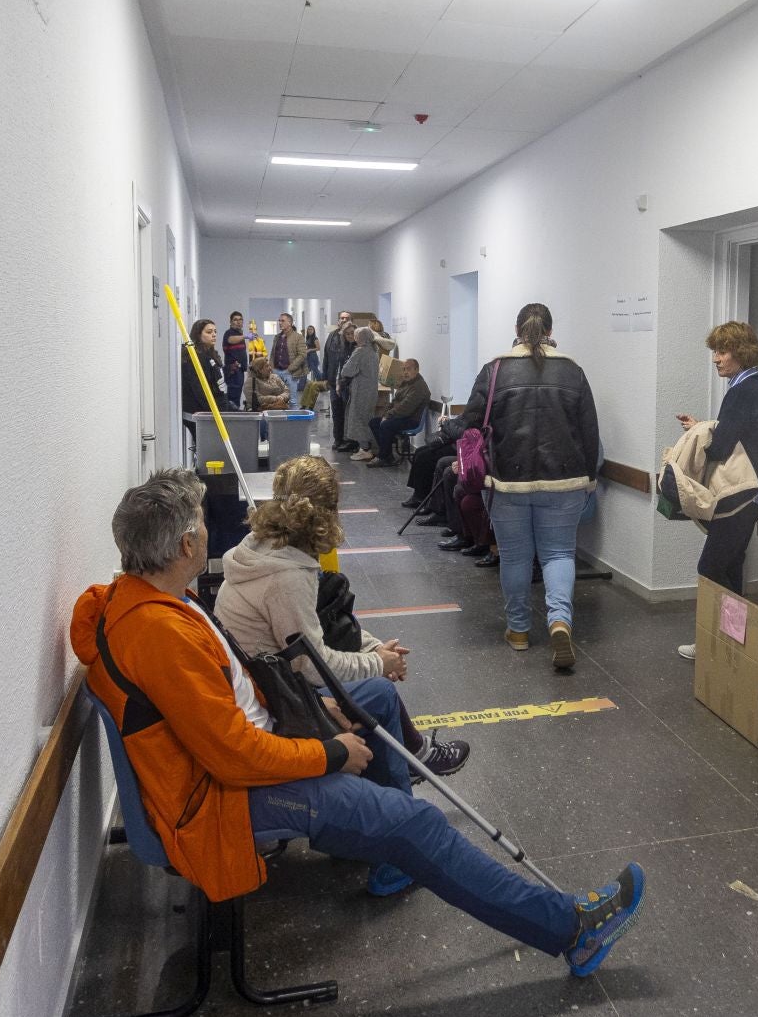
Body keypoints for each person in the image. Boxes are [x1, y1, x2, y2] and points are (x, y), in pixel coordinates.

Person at [70, 469, 643, 972]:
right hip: (222, 797)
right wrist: (333, 752)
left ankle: (397, 845)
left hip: (238, 762)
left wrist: (312, 709)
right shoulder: (160, 633)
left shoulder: (159, 602)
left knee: (375, 717)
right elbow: (234, 756)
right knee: (416, 823)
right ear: (186, 545)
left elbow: (234, 699)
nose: (207, 528)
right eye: (200, 522)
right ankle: (571, 930)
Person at [215, 455, 467, 781]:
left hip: (269, 679)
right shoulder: (288, 577)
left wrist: (375, 649)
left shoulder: (267, 545)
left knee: (374, 680)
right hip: (276, 700)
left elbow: (322, 625)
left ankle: (411, 757)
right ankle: (402, 780)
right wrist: (379, 663)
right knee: (380, 692)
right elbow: (314, 667)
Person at [440, 303, 599, 671]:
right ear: (550, 330)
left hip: (507, 482)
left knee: (515, 557)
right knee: (559, 554)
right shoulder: (573, 371)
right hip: (564, 481)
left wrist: (446, 429)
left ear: (517, 329)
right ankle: (559, 621)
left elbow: (471, 423)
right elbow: (589, 430)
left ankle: (519, 631)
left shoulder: (496, 369)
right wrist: (589, 478)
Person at [674, 321, 758, 661]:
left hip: (740, 495)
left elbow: (720, 446)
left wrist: (698, 434)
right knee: (730, 567)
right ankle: (733, 646)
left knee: (711, 566)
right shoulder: (755, 386)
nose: (716, 359)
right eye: (715, 351)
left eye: (722, 351)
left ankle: (728, 641)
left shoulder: (743, 390)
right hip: (752, 496)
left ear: (740, 353)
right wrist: (701, 426)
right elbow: (735, 433)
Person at [366, 359, 429, 468]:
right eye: (403, 369)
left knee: (386, 425)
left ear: (417, 370)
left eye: (408, 369)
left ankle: (383, 457)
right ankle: (387, 455)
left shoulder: (419, 387)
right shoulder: (406, 383)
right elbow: (394, 401)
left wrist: (388, 416)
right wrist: (385, 414)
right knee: (374, 422)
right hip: (402, 417)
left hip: (412, 420)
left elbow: (406, 408)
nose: (405, 372)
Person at [182, 318, 230, 452]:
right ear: (198, 334)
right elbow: (199, 390)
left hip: (218, 409)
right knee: (208, 450)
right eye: (209, 332)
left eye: (215, 331)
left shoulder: (210, 354)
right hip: (203, 413)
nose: (213, 335)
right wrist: (210, 414)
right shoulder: (194, 357)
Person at [336, 326, 380, 458]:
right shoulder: (374, 351)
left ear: (360, 338)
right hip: (371, 390)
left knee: (358, 419)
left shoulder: (360, 352)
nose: (354, 338)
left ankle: (365, 449)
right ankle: (367, 447)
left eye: (356, 336)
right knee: (367, 418)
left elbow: (346, 371)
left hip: (361, 391)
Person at [327, 314, 356, 449]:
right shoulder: (334, 338)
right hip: (335, 383)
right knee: (336, 412)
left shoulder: (357, 347)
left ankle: (349, 441)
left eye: (352, 333)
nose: (350, 336)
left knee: (347, 413)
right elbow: (328, 358)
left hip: (348, 385)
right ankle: (338, 439)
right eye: (347, 334)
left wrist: (342, 383)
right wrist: (327, 378)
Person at [272, 313, 307, 398]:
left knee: (292, 400)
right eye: (279, 321)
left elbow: (302, 355)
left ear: (290, 323)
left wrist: (289, 369)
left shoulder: (298, 337)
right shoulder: (277, 337)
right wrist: (271, 368)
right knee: (278, 400)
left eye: (282, 321)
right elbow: (273, 354)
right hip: (276, 372)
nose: (280, 323)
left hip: (290, 373)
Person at [220, 312, 248, 406]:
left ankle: (234, 412)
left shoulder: (239, 334)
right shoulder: (229, 333)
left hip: (239, 370)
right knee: (233, 397)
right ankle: (232, 413)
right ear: (231, 322)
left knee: (236, 395)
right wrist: (245, 336)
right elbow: (231, 339)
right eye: (235, 320)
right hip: (233, 370)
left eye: (240, 319)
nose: (238, 322)